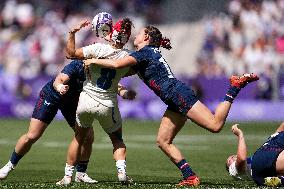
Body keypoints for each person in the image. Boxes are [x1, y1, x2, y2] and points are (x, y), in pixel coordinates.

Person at [83, 25, 259, 186]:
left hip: (177, 94)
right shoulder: (144, 55)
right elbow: (120, 71)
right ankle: (190, 177)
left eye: (140, 33)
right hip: (173, 99)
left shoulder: (143, 53)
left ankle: (234, 87)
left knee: (215, 125)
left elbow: (115, 65)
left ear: (146, 38)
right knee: (163, 141)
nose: (136, 35)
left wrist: (93, 61)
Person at [56, 17, 136, 185]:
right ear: (127, 38)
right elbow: (128, 71)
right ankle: (122, 172)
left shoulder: (97, 48)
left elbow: (70, 54)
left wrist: (72, 33)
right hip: (108, 104)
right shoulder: (127, 58)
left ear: (112, 33)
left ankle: (68, 176)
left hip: (86, 100)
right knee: (117, 140)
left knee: (79, 138)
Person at [0, 60, 97, 184]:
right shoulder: (77, 65)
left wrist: (121, 91)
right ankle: (8, 166)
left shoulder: (102, 71)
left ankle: (81, 174)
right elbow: (59, 80)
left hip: (72, 102)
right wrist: (60, 86)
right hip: (52, 95)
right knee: (32, 135)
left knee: (88, 136)